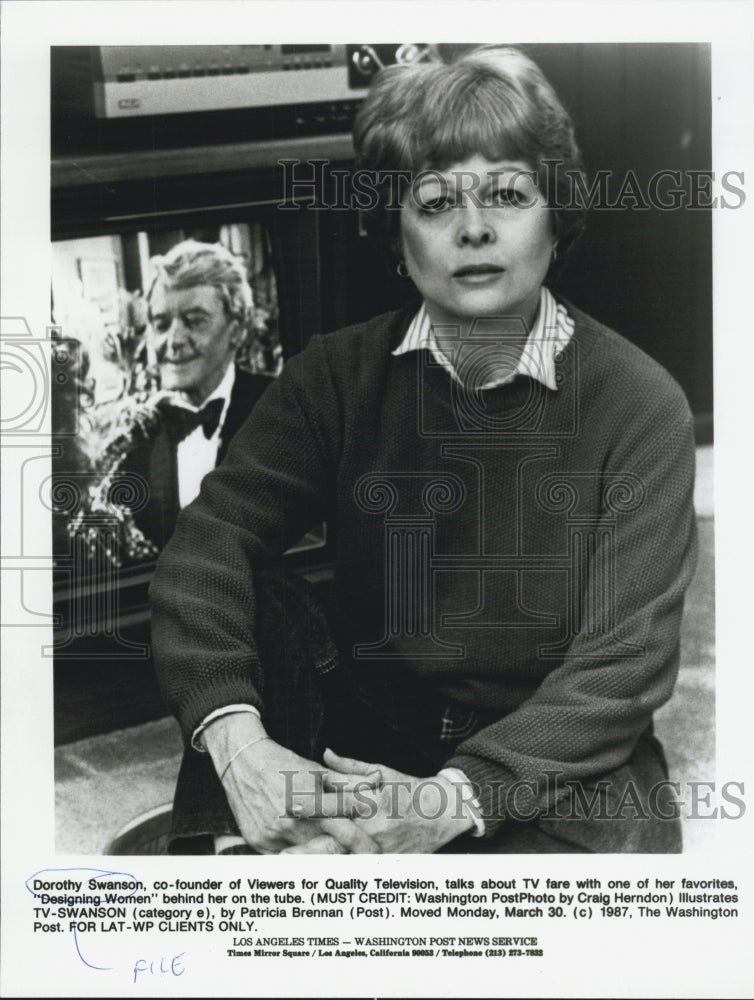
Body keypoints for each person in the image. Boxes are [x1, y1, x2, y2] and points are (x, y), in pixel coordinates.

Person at [149, 46, 698, 855]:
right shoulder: (333, 376)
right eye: (435, 202)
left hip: (546, 754)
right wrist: (242, 751)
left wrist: (445, 803)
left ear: (557, 214)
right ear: (393, 233)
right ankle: (251, 840)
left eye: (508, 195)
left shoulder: (640, 403)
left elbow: (625, 665)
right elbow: (206, 548)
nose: (473, 228)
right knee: (249, 596)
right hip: (368, 725)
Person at [122, 240, 273, 551]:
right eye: (161, 324)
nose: (174, 341)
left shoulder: (280, 407)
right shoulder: (137, 434)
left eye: (194, 321)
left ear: (238, 328)